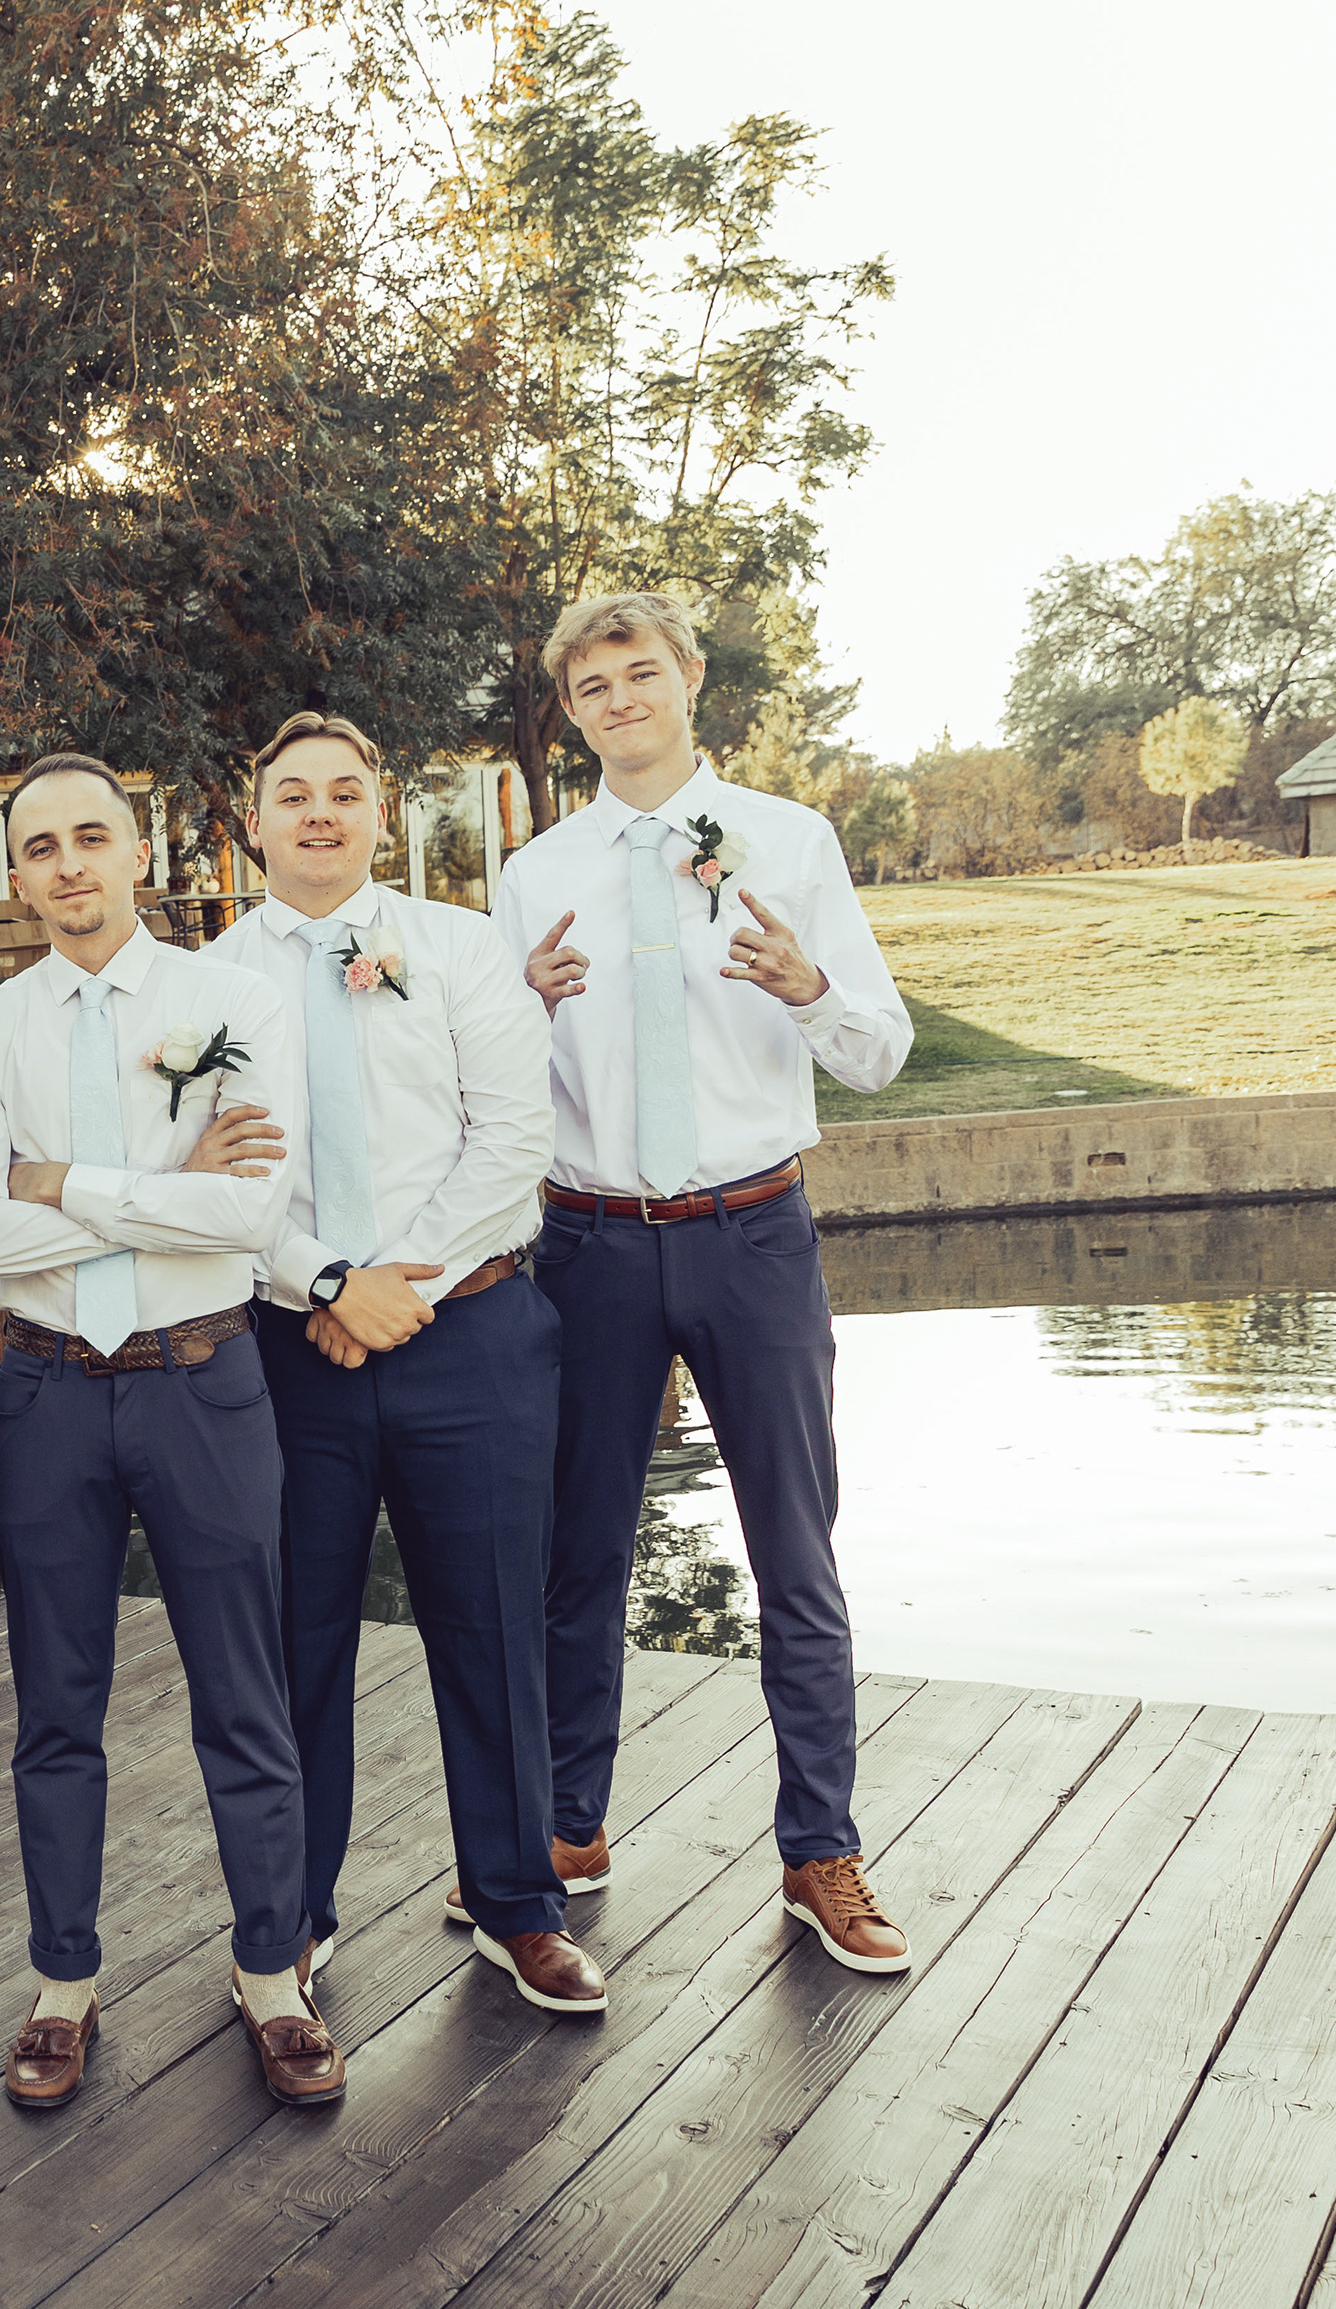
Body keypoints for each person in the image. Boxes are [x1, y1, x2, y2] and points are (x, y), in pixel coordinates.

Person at [491, 593, 921, 1975]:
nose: (620, 700)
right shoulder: (533, 875)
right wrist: (519, 1009)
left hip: (754, 1239)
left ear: (689, 677)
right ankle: (565, 1831)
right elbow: (491, 1095)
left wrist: (807, 986)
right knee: (579, 1555)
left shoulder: (791, 842)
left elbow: (880, 1052)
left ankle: (820, 1851)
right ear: (572, 712)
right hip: (589, 1247)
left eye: (641, 672)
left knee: (796, 1551)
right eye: (592, 686)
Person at [0, 749, 338, 2110]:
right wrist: (158, 1185)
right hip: (47, 1392)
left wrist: (61, 1180)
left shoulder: (234, 1002)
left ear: (140, 849)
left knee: (246, 1694)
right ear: (14, 873)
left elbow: (247, 1215)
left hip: (203, 1382)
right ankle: (63, 1981)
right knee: (56, 1705)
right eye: (39, 846)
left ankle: (272, 1972)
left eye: (90, 837)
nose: (68, 865)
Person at [217, 712, 602, 2017]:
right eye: (294, 794)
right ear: (254, 821)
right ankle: (291, 1916)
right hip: (288, 1348)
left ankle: (517, 1904)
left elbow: (512, 1136)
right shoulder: (204, 984)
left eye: (345, 792)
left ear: (381, 815)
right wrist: (328, 1285)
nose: (320, 813)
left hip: (469, 1334)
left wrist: (397, 1289)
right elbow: (209, 1179)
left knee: (493, 1626)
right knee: (297, 1641)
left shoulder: (458, 946)